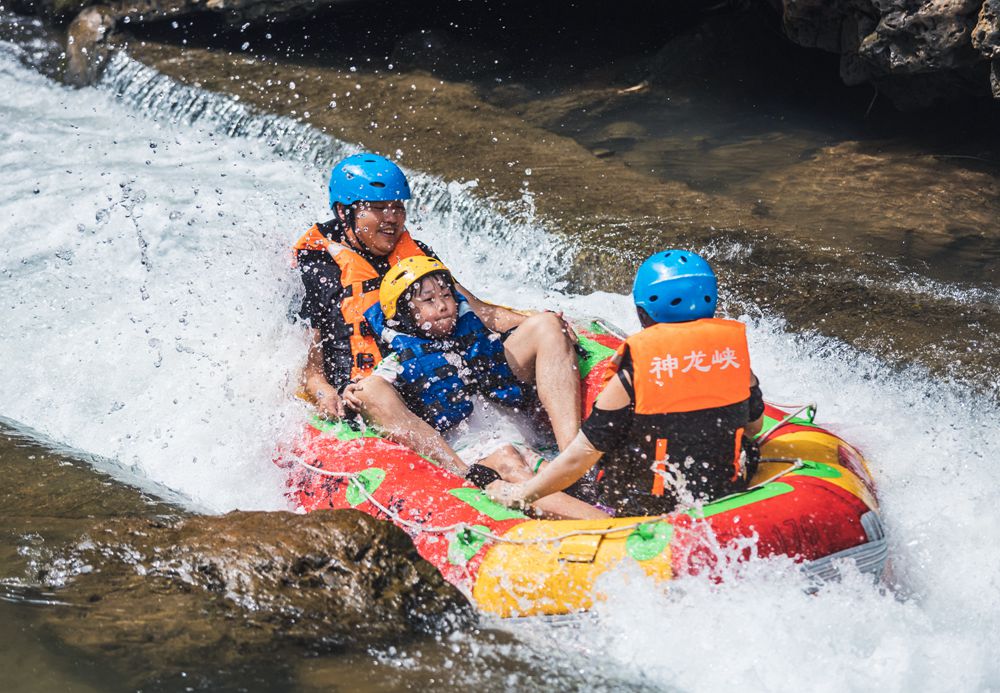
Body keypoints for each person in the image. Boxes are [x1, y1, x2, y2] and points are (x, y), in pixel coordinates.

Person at [294, 153, 582, 476]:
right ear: (344, 212)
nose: (392, 218)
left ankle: (574, 458)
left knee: (546, 328)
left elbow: (478, 310)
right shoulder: (317, 273)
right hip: (394, 395)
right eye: (378, 208)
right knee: (375, 392)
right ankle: (464, 475)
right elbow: (311, 367)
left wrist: (536, 319)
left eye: (398, 206)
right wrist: (325, 395)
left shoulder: (417, 254)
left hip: (449, 371)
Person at [488, 250, 765, 518]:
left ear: (643, 313)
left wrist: (522, 494)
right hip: (722, 489)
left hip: (646, 502)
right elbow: (753, 426)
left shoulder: (635, 371)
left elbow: (580, 457)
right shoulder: (734, 359)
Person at [357, 256, 606, 519]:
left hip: (518, 435)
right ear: (406, 315)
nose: (443, 306)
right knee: (511, 461)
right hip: (472, 452)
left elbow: (505, 324)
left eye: (446, 295)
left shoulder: (477, 336)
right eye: (428, 301)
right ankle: (604, 524)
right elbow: (371, 393)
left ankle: (576, 460)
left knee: (539, 465)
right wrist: (354, 393)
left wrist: (549, 320)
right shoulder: (397, 364)